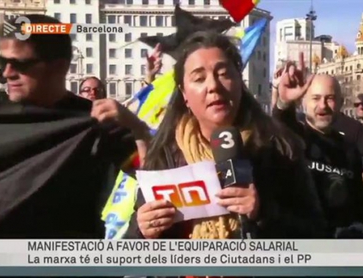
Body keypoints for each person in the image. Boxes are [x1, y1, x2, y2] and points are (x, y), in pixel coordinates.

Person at [125, 32, 327, 240]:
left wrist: (263, 213)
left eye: (223, 74)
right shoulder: (164, 156)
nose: (213, 86)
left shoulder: (279, 148)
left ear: (240, 81)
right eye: (199, 78)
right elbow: (129, 252)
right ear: (184, 94)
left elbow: (317, 234)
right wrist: (143, 231)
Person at [0, 14, 150, 239]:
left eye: (20, 64)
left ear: (58, 67)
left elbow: (154, 176)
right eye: (2, 63)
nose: (7, 73)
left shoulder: (97, 123)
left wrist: (137, 129)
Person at [273, 70, 363, 239]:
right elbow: (280, 123)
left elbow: (358, 199)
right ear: (304, 102)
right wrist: (284, 102)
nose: (323, 105)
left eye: (330, 98)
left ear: (340, 103)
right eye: (316, 98)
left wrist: (359, 225)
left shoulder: (349, 148)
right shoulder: (295, 137)